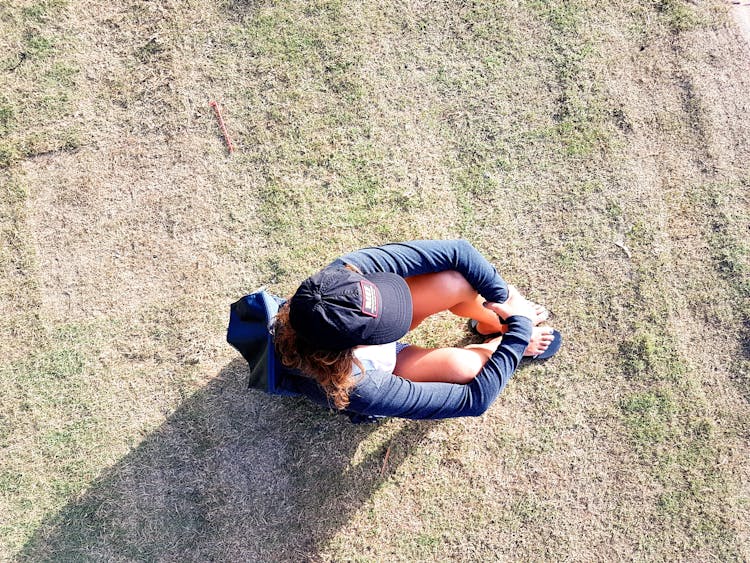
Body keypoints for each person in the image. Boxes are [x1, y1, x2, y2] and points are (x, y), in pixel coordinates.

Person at [271, 239, 562, 421]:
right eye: (385, 323)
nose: (395, 311)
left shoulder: (341, 277)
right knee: (464, 368)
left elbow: (457, 252)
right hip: (382, 367)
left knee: (453, 282)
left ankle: (494, 320)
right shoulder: (359, 388)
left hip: (354, 349)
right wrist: (518, 334)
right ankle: (500, 342)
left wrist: (508, 300)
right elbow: (474, 400)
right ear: (357, 346)